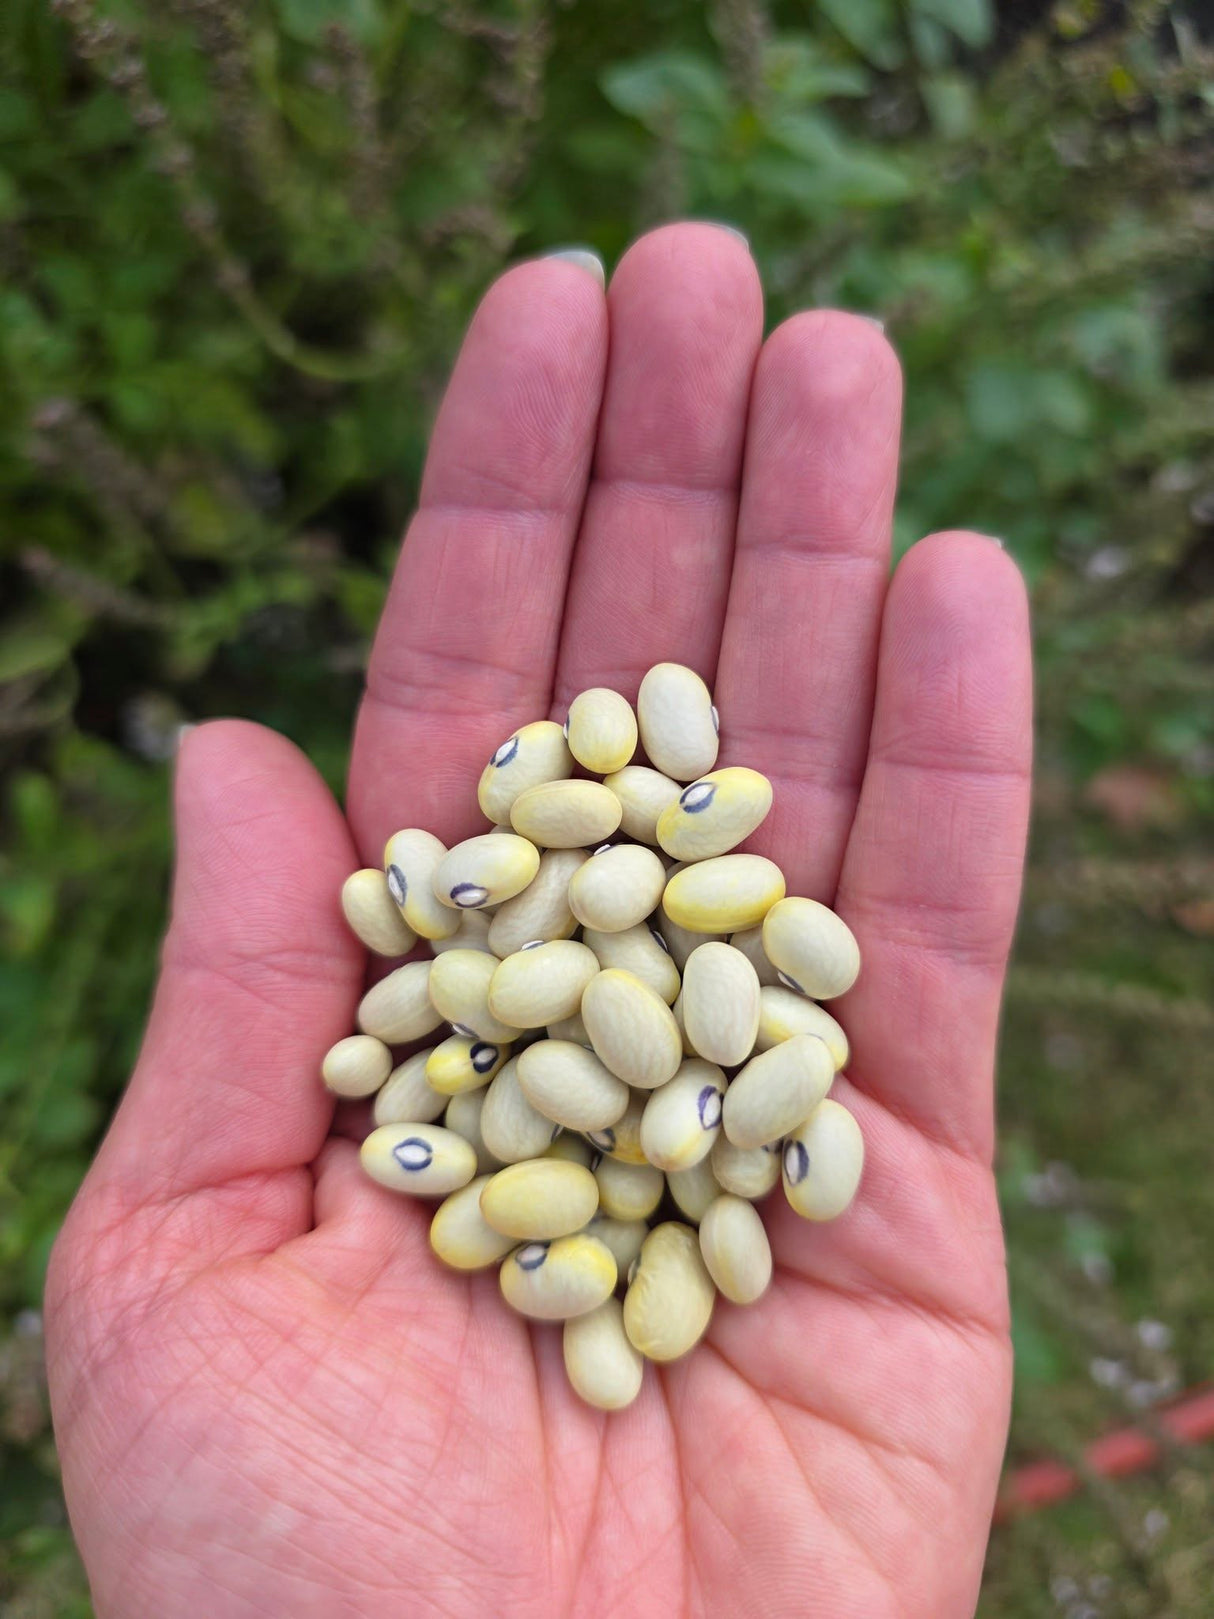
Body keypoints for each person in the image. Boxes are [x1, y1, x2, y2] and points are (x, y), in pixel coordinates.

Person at [44, 222, 1032, 1619]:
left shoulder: (667, 1060)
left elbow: (638, 1072)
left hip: (621, 1116)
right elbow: (551, 1053)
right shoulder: (543, 1000)